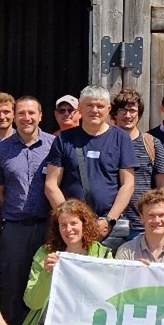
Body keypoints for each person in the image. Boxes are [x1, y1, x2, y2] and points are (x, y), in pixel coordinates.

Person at [0, 96, 54, 325]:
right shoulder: (1, 150)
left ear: (40, 115)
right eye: (21, 113)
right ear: (15, 117)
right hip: (15, 228)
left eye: (31, 113)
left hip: (48, 226)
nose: (27, 118)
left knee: (45, 281)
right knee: (11, 284)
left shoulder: (54, 145)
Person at [44, 86, 136, 246]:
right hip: (72, 230)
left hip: (109, 227)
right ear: (80, 109)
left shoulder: (121, 138)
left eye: (100, 106)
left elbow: (128, 184)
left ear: (108, 109)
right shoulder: (63, 139)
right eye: (89, 105)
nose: (95, 110)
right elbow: (51, 184)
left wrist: (109, 220)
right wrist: (69, 219)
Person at [19, 199, 112, 325]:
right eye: (63, 225)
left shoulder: (103, 255)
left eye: (74, 223)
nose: (68, 230)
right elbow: (32, 303)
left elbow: (111, 295)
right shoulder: (45, 253)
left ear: (85, 225)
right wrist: (47, 273)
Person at [111, 89, 164, 246]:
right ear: (114, 113)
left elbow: (161, 185)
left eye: (132, 110)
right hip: (110, 223)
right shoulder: (105, 142)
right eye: (122, 110)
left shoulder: (152, 143)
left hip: (142, 224)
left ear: (139, 114)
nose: (128, 115)